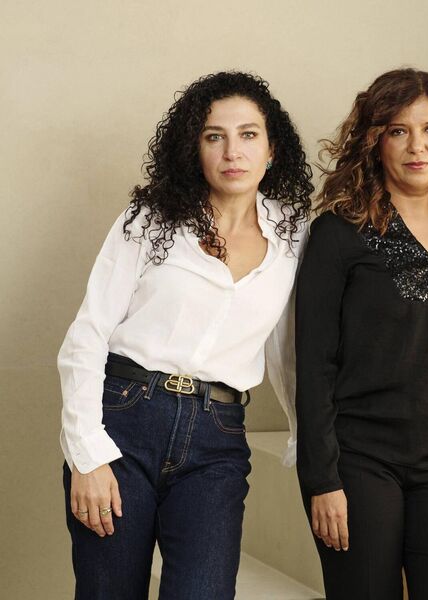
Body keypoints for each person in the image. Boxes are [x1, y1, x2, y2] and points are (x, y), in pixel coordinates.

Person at [58, 71, 313, 600]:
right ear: (193, 148)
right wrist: (87, 453)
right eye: (213, 135)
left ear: (272, 149)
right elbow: (87, 334)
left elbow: (287, 347)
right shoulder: (151, 219)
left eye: (248, 135)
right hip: (123, 419)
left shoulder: (293, 234)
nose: (232, 151)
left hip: (217, 439)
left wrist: (303, 438)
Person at [295, 68, 428, 600]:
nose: (418, 146)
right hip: (360, 458)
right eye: (398, 131)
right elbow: (314, 363)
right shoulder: (338, 233)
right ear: (374, 142)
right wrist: (322, 480)